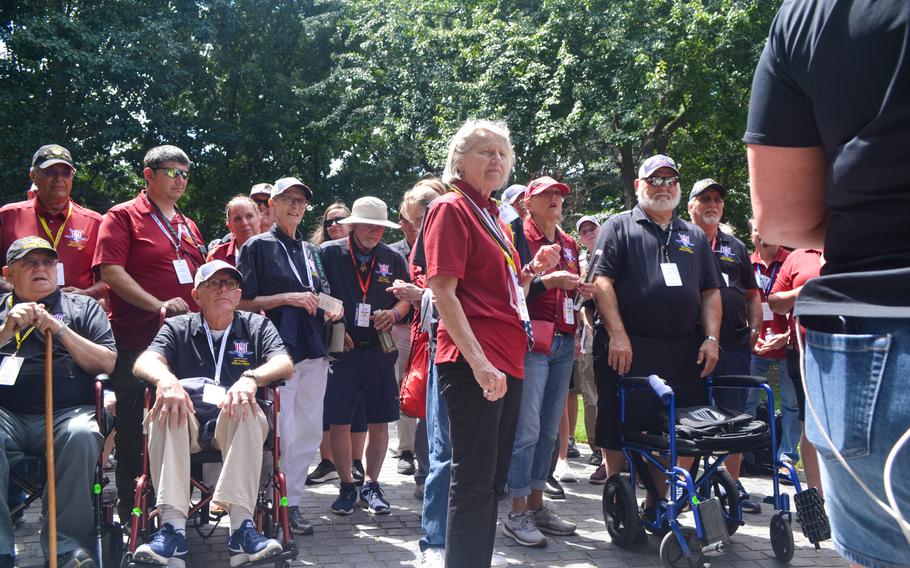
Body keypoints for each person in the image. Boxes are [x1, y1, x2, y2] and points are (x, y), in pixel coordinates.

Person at [745, 4, 910, 564]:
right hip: (842, 346)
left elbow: (784, 219)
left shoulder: (812, 13)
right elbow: (767, 289)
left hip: (873, 336)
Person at [422, 119, 559, 567]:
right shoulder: (451, 206)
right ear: (459, 161)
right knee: (475, 479)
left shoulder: (492, 214)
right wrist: (478, 361)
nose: (496, 159)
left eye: (502, 152)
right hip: (474, 360)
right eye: (485, 151)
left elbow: (500, 290)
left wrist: (530, 271)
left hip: (509, 357)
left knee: (493, 480)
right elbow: (444, 290)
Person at [130, 260, 293, 567]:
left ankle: (242, 530)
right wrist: (166, 380)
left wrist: (251, 379)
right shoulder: (177, 326)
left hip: (232, 421)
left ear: (238, 294)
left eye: (230, 284)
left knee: (245, 408)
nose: (222, 289)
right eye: (213, 284)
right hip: (188, 420)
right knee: (165, 410)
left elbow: (284, 364)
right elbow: (144, 362)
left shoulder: (256, 326)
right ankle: (172, 531)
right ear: (196, 294)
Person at [591, 155, 722, 517]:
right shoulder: (618, 227)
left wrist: (712, 338)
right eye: (655, 179)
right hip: (629, 348)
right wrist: (618, 335)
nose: (663, 186)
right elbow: (601, 283)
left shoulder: (693, 234)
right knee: (620, 424)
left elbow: (711, 290)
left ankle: (658, 503)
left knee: (678, 428)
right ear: (639, 186)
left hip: (682, 351)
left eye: (670, 179)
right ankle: (620, 497)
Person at [94, 145, 207, 524]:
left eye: (185, 174)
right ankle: (133, 511)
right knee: (133, 428)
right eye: (172, 172)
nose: (180, 180)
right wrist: (156, 303)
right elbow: (110, 271)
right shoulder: (123, 216)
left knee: (185, 420)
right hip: (138, 341)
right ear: (149, 175)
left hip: (185, 343)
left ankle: (180, 506)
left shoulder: (188, 225)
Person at [0, 236, 117, 568]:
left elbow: (107, 363)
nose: (41, 269)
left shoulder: (83, 308)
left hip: (69, 414)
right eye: (30, 263)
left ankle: (66, 548)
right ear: (9, 273)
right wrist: (6, 331)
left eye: (47, 262)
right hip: (5, 415)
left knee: (82, 435)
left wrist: (61, 329)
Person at [236, 177, 335, 536]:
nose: (295, 207)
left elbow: (320, 294)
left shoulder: (313, 251)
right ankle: (264, 502)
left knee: (308, 432)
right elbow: (241, 302)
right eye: (288, 200)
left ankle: (290, 505)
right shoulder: (256, 247)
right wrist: (287, 298)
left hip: (314, 348)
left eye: (301, 202)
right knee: (283, 433)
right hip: (277, 352)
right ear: (272, 205)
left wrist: (332, 308)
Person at [503, 176, 591, 548]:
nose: (555, 199)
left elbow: (570, 290)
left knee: (551, 428)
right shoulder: (516, 237)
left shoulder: (569, 242)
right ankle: (517, 510)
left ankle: (537, 504)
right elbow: (511, 290)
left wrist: (580, 294)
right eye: (547, 195)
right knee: (527, 429)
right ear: (528, 201)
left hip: (563, 340)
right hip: (530, 342)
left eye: (559, 194)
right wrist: (546, 282)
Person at [320, 196, 410, 516]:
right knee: (340, 421)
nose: (375, 232)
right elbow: (317, 293)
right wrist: (334, 320)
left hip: (379, 350)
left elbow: (406, 299)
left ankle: (372, 484)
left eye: (381, 227)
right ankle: (346, 484)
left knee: (380, 420)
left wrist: (394, 314)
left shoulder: (392, 257)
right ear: (353, 224)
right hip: (341, 350)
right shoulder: (328, 254)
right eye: (370, 225)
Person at [686, 178, 763, 514]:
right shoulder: (679, 239)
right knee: (690, 419)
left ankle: (731, 490)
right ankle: (687, 489)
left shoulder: (736, 246)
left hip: (733, 345)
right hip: (688, 347)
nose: (712, 204)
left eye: (717, 199)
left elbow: (752, 293)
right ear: (690, 205)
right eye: (705, 198)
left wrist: (755, 325)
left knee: (734, 420)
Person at [304, 201, 368, 487]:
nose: (333, 226)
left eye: (339, 220)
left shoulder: (370, 254)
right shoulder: (318, 254)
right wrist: (338, 327)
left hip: (367, 341)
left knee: (359, 406)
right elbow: (314, 292)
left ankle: (355, 462)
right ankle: (328, 460)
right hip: (330, 335)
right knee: (329, 403)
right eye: (328, 222)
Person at [0, 145, 106, 299]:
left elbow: (111, 277)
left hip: (76, 315)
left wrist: (86, 294)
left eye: (66, 173)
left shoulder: (94, 222)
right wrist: (14, 288)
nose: (59, 179)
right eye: (50, 172)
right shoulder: (8, 216)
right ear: (33, 175)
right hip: (20, 310)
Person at [767, 249, 824, 495]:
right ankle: (816, 497)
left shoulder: (849, 244)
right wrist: (800, 292)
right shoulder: (797, 256)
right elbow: (775, 302)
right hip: (803, 352)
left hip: (850, 348)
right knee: (809, 424)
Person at [745, 220, 797, 470]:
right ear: (751, 234)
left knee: (791, 402)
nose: (763, 235)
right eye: (757, 229)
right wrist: (751, 334)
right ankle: (746, 453)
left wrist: (787, 334)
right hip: (756, 344)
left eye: (768, 229)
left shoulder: (792, 261)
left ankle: (787, 457)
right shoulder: (745, 262)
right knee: (748, 400)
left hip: (787, 343)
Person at [207, 195, 261, 265]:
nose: (244, 223)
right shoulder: (216, 256)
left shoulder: (274, 250)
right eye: (237, 219)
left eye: (249, 216)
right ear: (229, 225)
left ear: (259, 219)